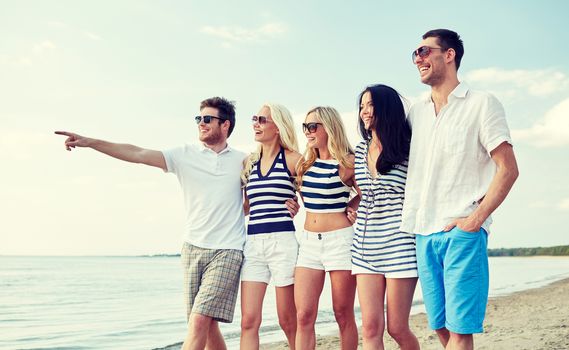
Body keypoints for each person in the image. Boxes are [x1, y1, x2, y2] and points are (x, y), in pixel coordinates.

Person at [56, 97, 247, 350]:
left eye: (208, 119)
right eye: (198, 119)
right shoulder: (184, 155)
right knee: (204, 324)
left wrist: (288, 203)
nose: (201, 123)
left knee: (200, 320)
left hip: (228, 249)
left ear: (226, 125)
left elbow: (253, 201)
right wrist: (90, 142)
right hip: (192, 248)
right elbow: (137, 153)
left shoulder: (244, 161)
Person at [402, 29, 519, 350]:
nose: (418, 59)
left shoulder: (482, 103)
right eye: (415, 54)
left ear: (449, 54)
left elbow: (508, 169)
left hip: (461, 230)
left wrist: (475, 219)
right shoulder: (416, 111)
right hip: (422, 232)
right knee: (440, 326)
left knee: (459, 331)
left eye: (424, 51)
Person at [347, 84, 420, 350]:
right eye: (362, 106)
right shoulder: (360, 150)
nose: (365, 112)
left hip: (400, 242)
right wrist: (352, 207)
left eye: (371, 105)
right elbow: (363, 192)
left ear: (386, 107)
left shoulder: (409, 147)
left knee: (397, 328)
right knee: (370, 327)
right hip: (365, 245)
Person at [295, 106, 359, 350]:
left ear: (329, 128)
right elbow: (300, 198)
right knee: (304, 316)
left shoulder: (347, 162)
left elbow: (367, 194)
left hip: (340, 242)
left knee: (342, 314)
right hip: (308, 244)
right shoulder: (304, 165)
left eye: (313, 127)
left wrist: (352, 205)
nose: (308, 132)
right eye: (305, 127)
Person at [239, 103, 303, 349]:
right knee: (248, 321)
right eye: (254, 118)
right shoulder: (248, 163)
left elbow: (314, 197)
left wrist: (297, 206)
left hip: (283, 243)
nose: (256, 123)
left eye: (262, 119)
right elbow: (246, 207)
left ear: (278, 127)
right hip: (253, 245)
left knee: (288, 320)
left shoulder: (293, 160)